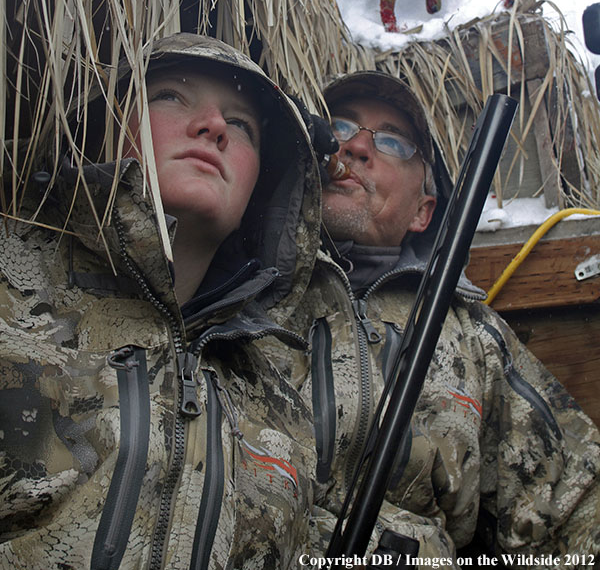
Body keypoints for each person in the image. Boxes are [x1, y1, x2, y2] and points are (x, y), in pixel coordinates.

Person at [0, 33, 323, 570]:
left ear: (258, 192)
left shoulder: (282, 400)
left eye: (241, 125)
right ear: (102, 129)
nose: (214, 126)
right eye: (171, 95)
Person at [290, 70, 600, 561]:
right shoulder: (234, 298)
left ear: (423, 212)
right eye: (341, 127)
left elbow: (576, 503)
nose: (355, 148)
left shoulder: (472, 338)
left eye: (391, 141)